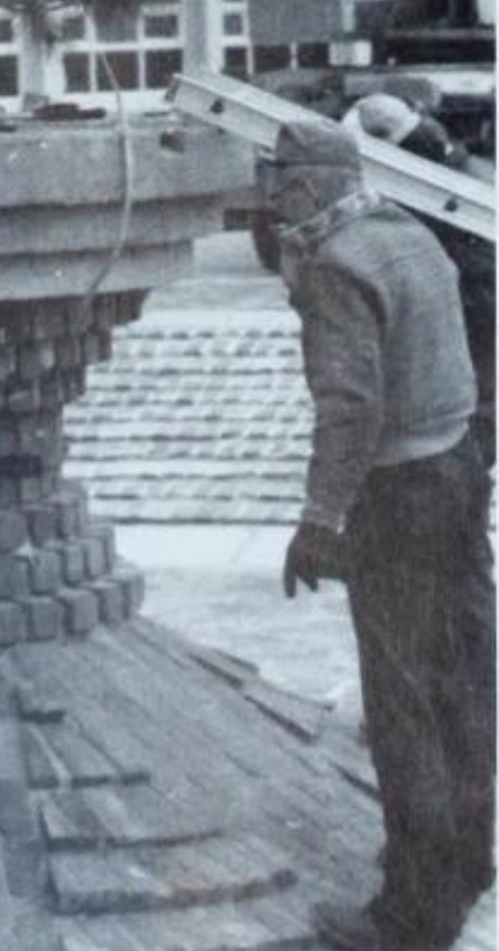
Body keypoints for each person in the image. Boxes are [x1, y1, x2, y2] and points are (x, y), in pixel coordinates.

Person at [261, 117, 495, 951]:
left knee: (401, 697)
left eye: (281, 184)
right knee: (465, 676)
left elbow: (350, 406)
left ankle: (412, 915)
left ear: (305, 186)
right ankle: (470, 858)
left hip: (397, 495)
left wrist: (318, 521)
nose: (273, 200)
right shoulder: (410, 234)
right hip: (458, 469)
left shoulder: (336, 267)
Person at [343, 92, 496, 468]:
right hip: (480, 287)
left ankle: (469, 472)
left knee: (467, 397)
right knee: (481, 390)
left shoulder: (409, 172)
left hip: (467, 291)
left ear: (383, 140)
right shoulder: (449, 154)